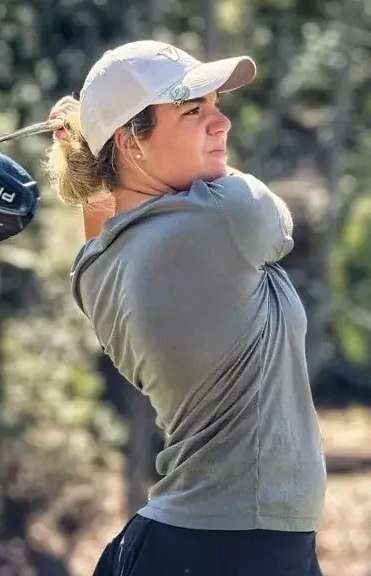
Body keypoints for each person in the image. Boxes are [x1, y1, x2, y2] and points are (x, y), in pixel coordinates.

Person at [43, 39, 327, 576]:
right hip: (232, 546)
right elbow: (278, 222)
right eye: (194, 111)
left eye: (217, 106)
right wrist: (92, 131)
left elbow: (106, 210)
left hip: (208, 543)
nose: (221, 124)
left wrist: (93, 138)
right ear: (131, 140)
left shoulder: (94, 268)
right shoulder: (225, 214)